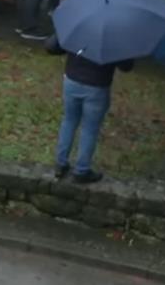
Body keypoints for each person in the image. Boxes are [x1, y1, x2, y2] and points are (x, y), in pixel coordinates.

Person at [51, 36, 133, 184]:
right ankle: (81, 170)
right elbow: (126, 66)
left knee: (69, 121)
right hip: (97, 86)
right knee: (90, 129)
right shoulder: (115, 34)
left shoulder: (79, 23)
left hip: (72, 81)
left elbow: (52, 46)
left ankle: (60, 164)